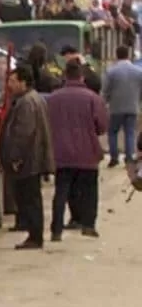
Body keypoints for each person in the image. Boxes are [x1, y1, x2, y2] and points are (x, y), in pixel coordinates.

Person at [46, 58, 107, 241]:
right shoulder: (93, 98)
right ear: (81, 76)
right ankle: (88, 225)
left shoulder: (53, 98)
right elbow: (102, 126)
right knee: (90, 191)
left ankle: (56, 229)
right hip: (87, 153)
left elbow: (47, 123)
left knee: (61, 192)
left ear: (65, 75)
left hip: (61, 153)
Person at [0, 64, 55, 250]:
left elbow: (23, 133)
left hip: (28, 161)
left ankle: (35, 236)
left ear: (24, 82)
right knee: (31, 198)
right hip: (32, 159)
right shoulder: (31, 99)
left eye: (13, 81)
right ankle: (33, 234)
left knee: (30, 199)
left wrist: (16, 158)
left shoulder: (26, 103)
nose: (10, 85)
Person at [102, 45, 142, 166]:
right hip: (133, 106)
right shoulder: (138, 71)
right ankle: (129, 157)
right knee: (129, 132)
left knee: (112, 132)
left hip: (116, 107)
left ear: (116, 55)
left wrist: (105, 102)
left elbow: (105, 90)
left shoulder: (111, 71)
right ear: (128, 55)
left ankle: (114, 157)